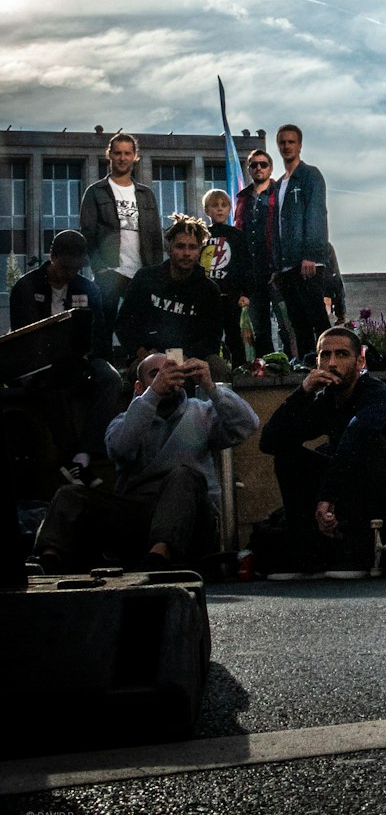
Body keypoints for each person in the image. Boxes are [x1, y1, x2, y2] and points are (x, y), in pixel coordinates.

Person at [34, 353, 259, 573]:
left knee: (182, 475)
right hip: (138, 516)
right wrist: (152, 396)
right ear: (139, 387)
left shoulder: (201, 412)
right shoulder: (124, 421)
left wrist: (211, 388)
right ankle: (48, 561)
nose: (165, 377)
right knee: (70, 494)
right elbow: (120, 448)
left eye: (170, 370)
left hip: (191, 520)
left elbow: (247, 424)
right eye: (156, 374)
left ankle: (159, 556)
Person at [260, 326, 386, 578]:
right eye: (325, 355)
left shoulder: (376, 395)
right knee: (288, 457)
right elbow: (270, 442)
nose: (332, 363)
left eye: (342, 355)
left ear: (360, 361)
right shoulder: (326, 401)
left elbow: (357, 436)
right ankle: (307, 557)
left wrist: (326, 497)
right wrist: (303, 392)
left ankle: (357, 550)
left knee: (362, 439)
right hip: (363, 483)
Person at [8, 230, 124, 486]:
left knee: (111, 379)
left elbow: (100, 336)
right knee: (52, 381)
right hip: (37, 364)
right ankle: (74, 460)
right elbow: (22, 339)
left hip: (79, 360)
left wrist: (91, 357)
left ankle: (80, 457)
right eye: (65, 267)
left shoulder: (87, 289)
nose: (70, 273)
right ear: (52, 257)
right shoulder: (26, 287)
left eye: (76, 267)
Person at [79, 132, 164, 351]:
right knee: (104, 327)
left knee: (141, 328)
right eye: (117, 153)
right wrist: (100, 268)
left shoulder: (146, 194)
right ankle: (104, 373)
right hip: (110, 270)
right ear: (109, 155)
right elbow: (87, 234)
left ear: (135, 156)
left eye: (127, 153)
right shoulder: (95, 192)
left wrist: (155, 273)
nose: (122, 158)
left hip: (141, 272)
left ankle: (139, 372)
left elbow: (155, 236)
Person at [116, 215, 229, 368]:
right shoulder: (146, 278)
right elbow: (123, 323)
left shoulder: (208, 289)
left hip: (191, 361)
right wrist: (141, 351)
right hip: (149, 359)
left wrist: (184, 357)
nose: (186, 253)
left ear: (200, 251)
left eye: (192, 247)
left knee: (218, 366)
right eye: (180, 246)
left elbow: (212, 340)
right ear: (169, 249)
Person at [273, 123, 331, 361]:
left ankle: (330, 360)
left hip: (306, 263)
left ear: (299, 145)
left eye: (291, 142)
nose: (287, 146)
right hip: (286, 266)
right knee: (298, 323)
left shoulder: (309, 176)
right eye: (282, 142)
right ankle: (308, 365)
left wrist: (311, 254)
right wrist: (276, 267)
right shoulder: (278, 184)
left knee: (316, 317)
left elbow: (316, 214)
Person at [234, 147, 285, 356]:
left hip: (275, 269)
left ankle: (292, 364)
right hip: (252, 273)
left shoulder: (280, 192)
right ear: (249, 169)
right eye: (254, 165)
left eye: (263, 164)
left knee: (285, 322)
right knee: (259, 326)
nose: (258, 168)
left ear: (270, 168)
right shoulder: (243, 198)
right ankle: (266, 366)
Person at [200, 189, 251, 368]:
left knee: (234, 335)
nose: (220, 210)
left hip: (232, 295)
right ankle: (211, 371)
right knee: (209, 336)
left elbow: (245, 266)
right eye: (215, 206)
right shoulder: (201, 234)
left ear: (230, 209)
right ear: (207, 210)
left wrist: (245, 293)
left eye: (224, 206)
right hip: (208, 296)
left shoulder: (237, 235)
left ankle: (239, 370)